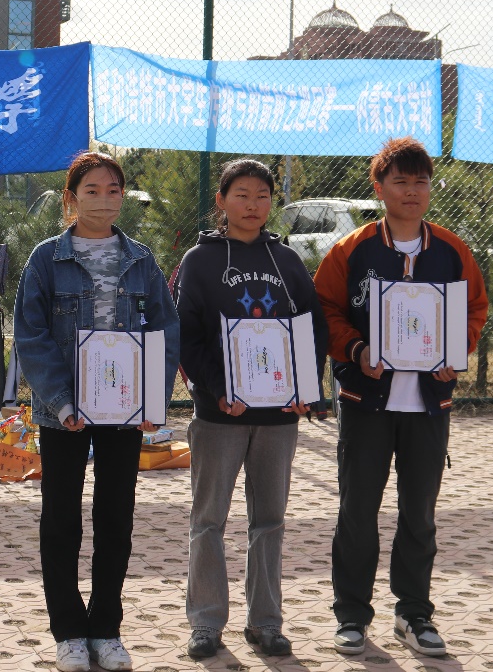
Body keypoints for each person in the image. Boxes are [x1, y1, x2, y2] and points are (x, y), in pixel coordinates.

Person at [313, 137, 488, 658]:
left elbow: (475, 309)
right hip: (365, 401)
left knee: (419, 513)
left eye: (421, 182)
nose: (412, 191)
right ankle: (351, 616)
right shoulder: (352, 250)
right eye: (400, 181)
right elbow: (325, 310)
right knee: (357, 510)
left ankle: (414, 613)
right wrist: (358, 349)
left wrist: (456, 350)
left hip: (429, 405)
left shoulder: (453, 251)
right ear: (379, 187)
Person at [13, 151, 180, 672]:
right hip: (63, 411)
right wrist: (62, 402)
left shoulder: (142, 260)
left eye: (113, 190)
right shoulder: (46, 259)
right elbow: (32, 336)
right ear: (71, 197)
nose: (104, 200)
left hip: (125, 411)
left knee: (115, 517)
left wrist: (152, 399)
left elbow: (165, 331)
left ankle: (106, 628)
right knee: (61, 519)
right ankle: (67, 631)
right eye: (92, 190)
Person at [173, 159, 328, 660]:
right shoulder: (200, 261)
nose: (253, 204)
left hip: (278, 417)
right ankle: (205, 623)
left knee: (270, 521)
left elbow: (312, 328)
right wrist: (219, 389)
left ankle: (266, 622)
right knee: (208, 521)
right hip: (220, 414)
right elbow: (186, 337)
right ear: (221, 201)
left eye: (263, 195)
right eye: (241, 194)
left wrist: (307, 387)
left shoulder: (287, 261)